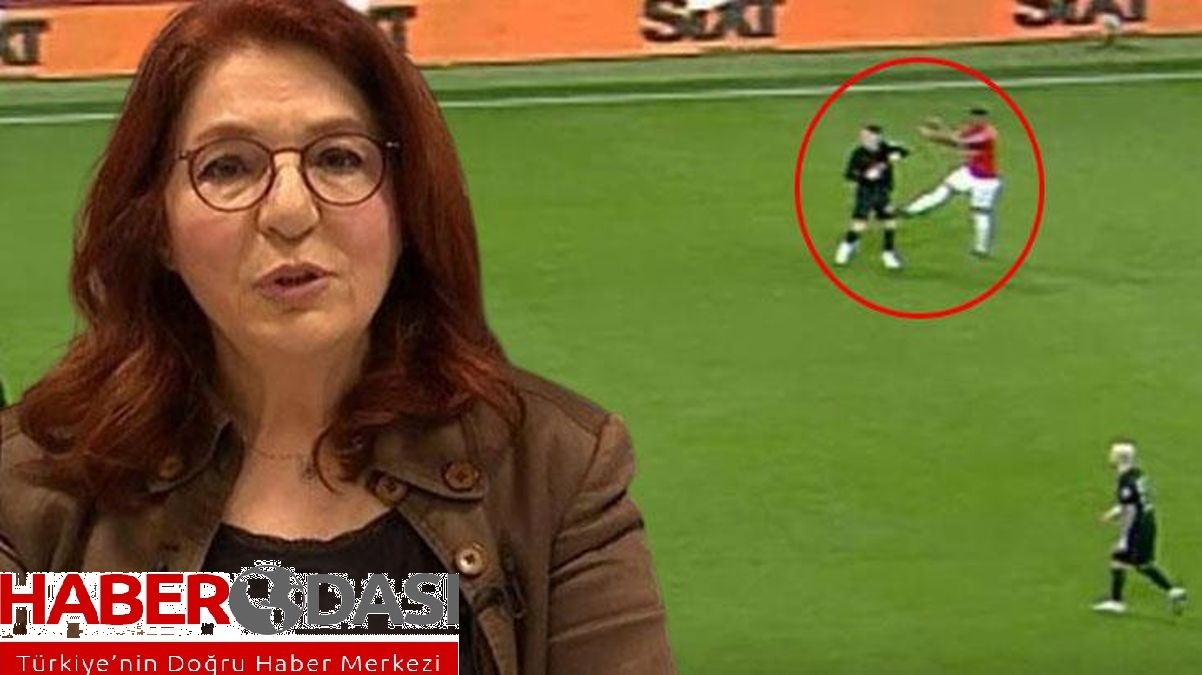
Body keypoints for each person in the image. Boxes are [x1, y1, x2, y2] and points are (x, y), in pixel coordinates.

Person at [0, 1, 675, 672]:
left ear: (406, 204)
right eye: (227, 167)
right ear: (158, 229)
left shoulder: (555, 473)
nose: (290, 211)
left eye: (339, 159)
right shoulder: (28, 492)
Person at [1092, 440, 1187, 615]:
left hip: (1138, 525)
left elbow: (1130, 511)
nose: (1110, 457)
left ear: (1119, 458)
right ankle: (1172, 592)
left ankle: (1171, 592)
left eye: (1112, 454)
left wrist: (1124, 537)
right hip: (1148, 520)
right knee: (1128, 560)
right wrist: (1112, 513)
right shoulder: (1137, 474)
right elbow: (1134, 502)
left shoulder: (1126, 480)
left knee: (1134, 561)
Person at [903, 108, 1002, 257]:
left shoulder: (988, 134)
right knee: (943, 189)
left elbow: (958, 142)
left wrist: (933, 135)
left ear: (984, 120)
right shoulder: (970, 129)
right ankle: (911, 210)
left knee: (980, 212)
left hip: (985, 180)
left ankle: (981, 249)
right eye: (973, 118)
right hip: (969, 172)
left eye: (979, 119)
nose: (975, 121)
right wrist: (940, 128)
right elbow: (954, 137)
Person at [834, 124, 909, 271]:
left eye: (867, 136)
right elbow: (849, 174)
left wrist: (895, 155)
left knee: (890, 222)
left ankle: (888, 253)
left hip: (883, 192)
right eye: (863, 136)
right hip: (866, 192)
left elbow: (904, 151)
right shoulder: (858, 153)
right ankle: (845, 247)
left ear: (877, 137)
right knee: (859, 224)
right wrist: (865, 176)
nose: (863, 138)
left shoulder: (885, 148)